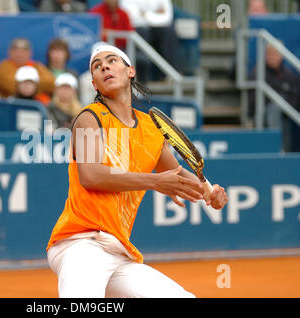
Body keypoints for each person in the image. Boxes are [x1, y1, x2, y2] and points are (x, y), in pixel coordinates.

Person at [46, 44, 228, 298]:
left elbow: (175, 175)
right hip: (81, 243)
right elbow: (90, 176)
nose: (105, 67)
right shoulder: (89, 118)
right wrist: (154, 181)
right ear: (95, 84)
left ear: (130, 71)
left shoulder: (149, 128)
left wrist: (210, 191)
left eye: (112, 61)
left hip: (118, 251)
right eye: (97, 66)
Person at [249, 44, 300, 152]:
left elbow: (295, 100)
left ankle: (282, 151)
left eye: (276, 53)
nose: (273, 57)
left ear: (282, 55)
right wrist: (280, 99)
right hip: (261, 116)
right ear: (265, 55)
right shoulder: (258, 72)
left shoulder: (289, 74)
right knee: (274, 108)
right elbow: (254, 100)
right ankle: (277, 148)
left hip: (284, 116)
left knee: (281, 113)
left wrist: (282, 101)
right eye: (270, 54)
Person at [119, 0, 180, 81]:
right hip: (137, 30)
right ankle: (144, 78)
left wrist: (145, 14)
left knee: (169, 32)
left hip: (156, 28)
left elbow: (167, 18)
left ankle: (170, 76)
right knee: (143, 32)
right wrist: (156, 13)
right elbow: (132, 17)